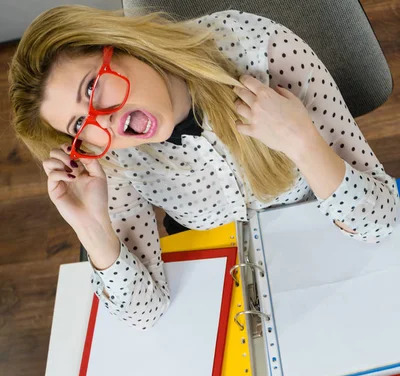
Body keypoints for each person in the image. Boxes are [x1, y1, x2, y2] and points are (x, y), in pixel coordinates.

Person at [9, 6, 399, 330]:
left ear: (122, 45)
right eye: (79, 124)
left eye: (93, 89)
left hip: (322, 231)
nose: (103, 122)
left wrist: (302, 140)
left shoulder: (263, 52)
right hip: (221, 270)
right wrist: (93, 229)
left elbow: (383, 221)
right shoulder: (107, 154)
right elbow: (145, 313)